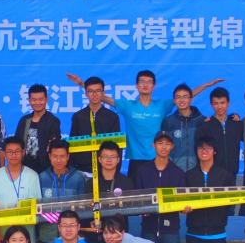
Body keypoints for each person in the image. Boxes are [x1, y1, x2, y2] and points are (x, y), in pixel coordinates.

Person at [67, 70, 223, 178]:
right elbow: (98, 95)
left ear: (154, 86)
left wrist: (206, 86)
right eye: (142, 82)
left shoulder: (162, 105)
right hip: (136, 160)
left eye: (149, 82)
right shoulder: (128, 106)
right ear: (136, 85)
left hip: (159, 159)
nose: (145, 85)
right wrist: (81, 83)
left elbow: (184, 97)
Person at [132, 131, 186, 243]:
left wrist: (185, 208)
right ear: (153, 145)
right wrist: (141, 210)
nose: (163, 147)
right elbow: (137, 199)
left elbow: (182, 202)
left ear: (172, 146)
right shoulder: (142, 171)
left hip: (171, 230)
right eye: (160, 143)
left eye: (167, 144)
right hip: (149, 229)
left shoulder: (178, 173)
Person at [182, 137, 237, 243]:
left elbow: (231, 203)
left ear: (214, 151)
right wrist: (184, 209)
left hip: (217, 231)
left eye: (208, 148)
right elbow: (182, 201)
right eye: (200, 148)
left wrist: (220, 215)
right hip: (194, 231)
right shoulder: (189, 175)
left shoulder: (225, 175)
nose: (204, 151)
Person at [0, 137, 42, 243]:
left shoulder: (33, 175)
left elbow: (34, 206)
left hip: (26, 235)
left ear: (23, 153)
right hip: (2, 234)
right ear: (4, 154)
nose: (14, 155)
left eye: (17, 151)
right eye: (10, 152)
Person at [37, 139, 87, 243]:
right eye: (55, 156)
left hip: (71, 235)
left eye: (62, 156)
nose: (58, 160)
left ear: (68, 156)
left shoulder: (78, 178)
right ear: (49, 156)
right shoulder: (41, 178)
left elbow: (83, 207)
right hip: (47, 235)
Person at [67, 76, 121, 174]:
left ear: (103, 93)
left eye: (98, 91)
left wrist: (115, 171)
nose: (94, 94)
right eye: (91, 91)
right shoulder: (78, 116)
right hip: (81, 170)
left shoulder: (112, 117)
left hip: (105, 170)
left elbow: (117, 146)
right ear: (86, 93)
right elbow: (72, 145)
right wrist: (72, 170)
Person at [194, 87, 244, 179]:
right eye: (216, 103)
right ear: (211, 105)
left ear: (228, 103)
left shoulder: (237, 124)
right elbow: (198, 150)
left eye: (222, 103)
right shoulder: (205, 126)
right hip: (212, 174)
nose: (219, 106)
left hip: (232, 173)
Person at [14, 83, 63, 174]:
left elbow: (55, 144)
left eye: (41, 99)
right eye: (34, 100)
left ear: (46, 100)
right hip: (25, 167)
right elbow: (17, 143)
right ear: (29, 100)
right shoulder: (24, 120)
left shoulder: (53, 121)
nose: (37, 103)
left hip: (45, 169)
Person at [161, 83, 205, 173]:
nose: (181, 100)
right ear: (174, 100)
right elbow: (164, 147)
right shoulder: (168, 122)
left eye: (185, 97)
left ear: (191, 99)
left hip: (197, 171)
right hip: (175, 171)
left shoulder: (202, 121)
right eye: (178, 97)